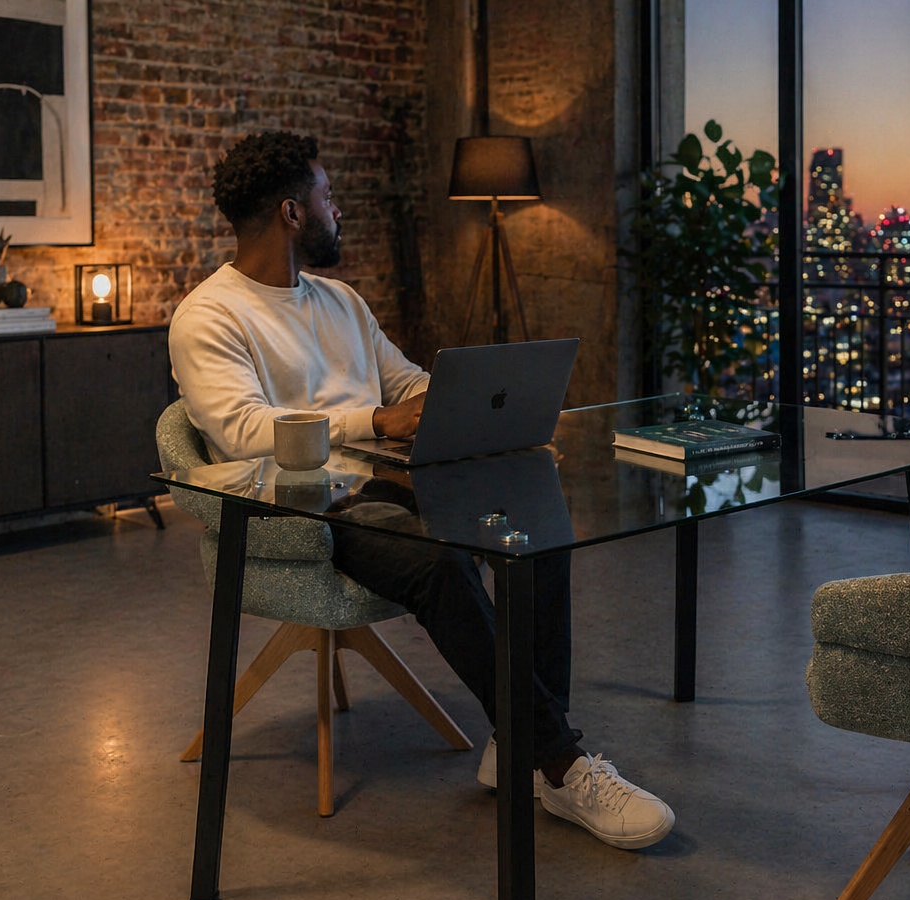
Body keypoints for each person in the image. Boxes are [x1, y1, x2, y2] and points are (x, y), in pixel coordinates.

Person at [168, 130, 673, 850]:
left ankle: (519, 745)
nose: (336, 208)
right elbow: (243, 430)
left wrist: (479, 405)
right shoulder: (210, 316)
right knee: (442, 563)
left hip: (391, 479)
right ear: (290, 212)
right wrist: (374, 418)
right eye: (326, 194)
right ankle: (561, 766)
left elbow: (404, 381)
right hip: (308, 507)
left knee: (538, 529)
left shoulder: (338, 301)